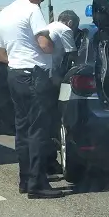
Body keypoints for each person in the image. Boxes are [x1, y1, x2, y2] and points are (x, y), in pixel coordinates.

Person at [0, 0, 63, 199]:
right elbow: (44, 44)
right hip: (34, 74)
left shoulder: (4, 14)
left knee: (22, 129)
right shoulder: (32, 10)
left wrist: (17, 59)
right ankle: (38, 184)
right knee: (38, 129)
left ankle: (25, 179)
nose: (41, 1)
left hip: (14, 75)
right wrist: (53, 46)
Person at [43, 9, 80, 176]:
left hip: (43, 75)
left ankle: (48, 158)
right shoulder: (65, 30)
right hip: (52, 77)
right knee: (55, 116)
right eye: (75, 28)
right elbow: (73, 56)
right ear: (70, 23)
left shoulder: (50, 26)